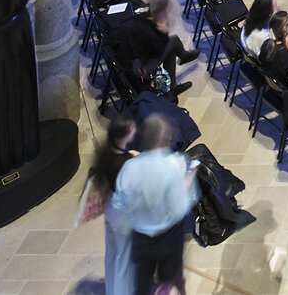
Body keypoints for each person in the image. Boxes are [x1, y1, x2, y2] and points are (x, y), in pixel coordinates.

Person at [112, 112, 199, 295]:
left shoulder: (129, 168)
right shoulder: (171, 167)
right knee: (171, 283)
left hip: (140, 237)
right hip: (167, 237)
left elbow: (119, 204)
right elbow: (178, 208)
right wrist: (190, 178)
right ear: (165, 140)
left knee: (141, 284)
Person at [80, 115, 141, 295]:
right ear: (123, 136)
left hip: (111, 208)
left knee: (112, 252)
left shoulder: (106, 154)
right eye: (131, 129)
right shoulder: (128, 163)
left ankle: (112, 290)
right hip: (124, 214)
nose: (135, 131)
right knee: (124, 260)